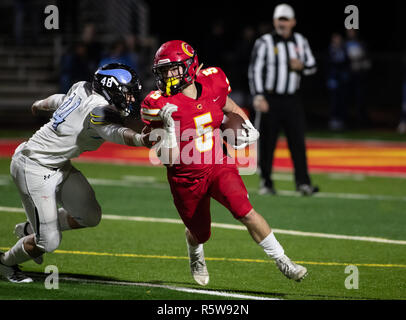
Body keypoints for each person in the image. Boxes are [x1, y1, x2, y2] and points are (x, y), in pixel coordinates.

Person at [141, 40, 308, 286]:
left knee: (244, 211)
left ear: (189, 66)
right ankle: (195, 251)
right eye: (163, 71)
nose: (167, 75)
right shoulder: (159, 105)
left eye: (172, 69)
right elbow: (165, 157)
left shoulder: (213, 82)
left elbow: (227, 105)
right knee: (201, 233)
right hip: (185, 176)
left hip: (219, 164)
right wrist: (166, 130)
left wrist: (244, 123)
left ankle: (283, 259)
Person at [0, 63, 150, 283]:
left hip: (59, 165)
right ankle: (5, 262)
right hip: (32, 166)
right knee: (48, 242)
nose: (130, 99)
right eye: (126, 94)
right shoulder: (98, 108)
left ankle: (29, 229)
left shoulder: (82, 87)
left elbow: (61, 99)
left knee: (90, 215)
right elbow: (113, 132)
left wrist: (41, 104)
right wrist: (139, 139)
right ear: (110, 88)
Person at [248, 3, 319, 196]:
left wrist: (301, 66)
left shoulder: (300, 41)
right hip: (270, 99)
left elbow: (313, 66)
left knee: (297, 141)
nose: (282, 23)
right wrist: (258, 95)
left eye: (286, 19)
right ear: (274, 21)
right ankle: (266, 181)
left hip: (292, 99)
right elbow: (254, 70)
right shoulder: (264, 42)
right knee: (267, 142)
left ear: (293, 22)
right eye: (280, 19)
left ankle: (303, 182)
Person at [326, 33, 351, 131]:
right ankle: (333, 119)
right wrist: (329, 78)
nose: (337, 41)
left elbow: (347, 63)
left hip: (342, 79)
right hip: (333, 78)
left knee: (342, 99)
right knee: (334, 100)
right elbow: (327, 65)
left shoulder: (343, 50)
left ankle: (341, 120)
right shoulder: (330, 50)